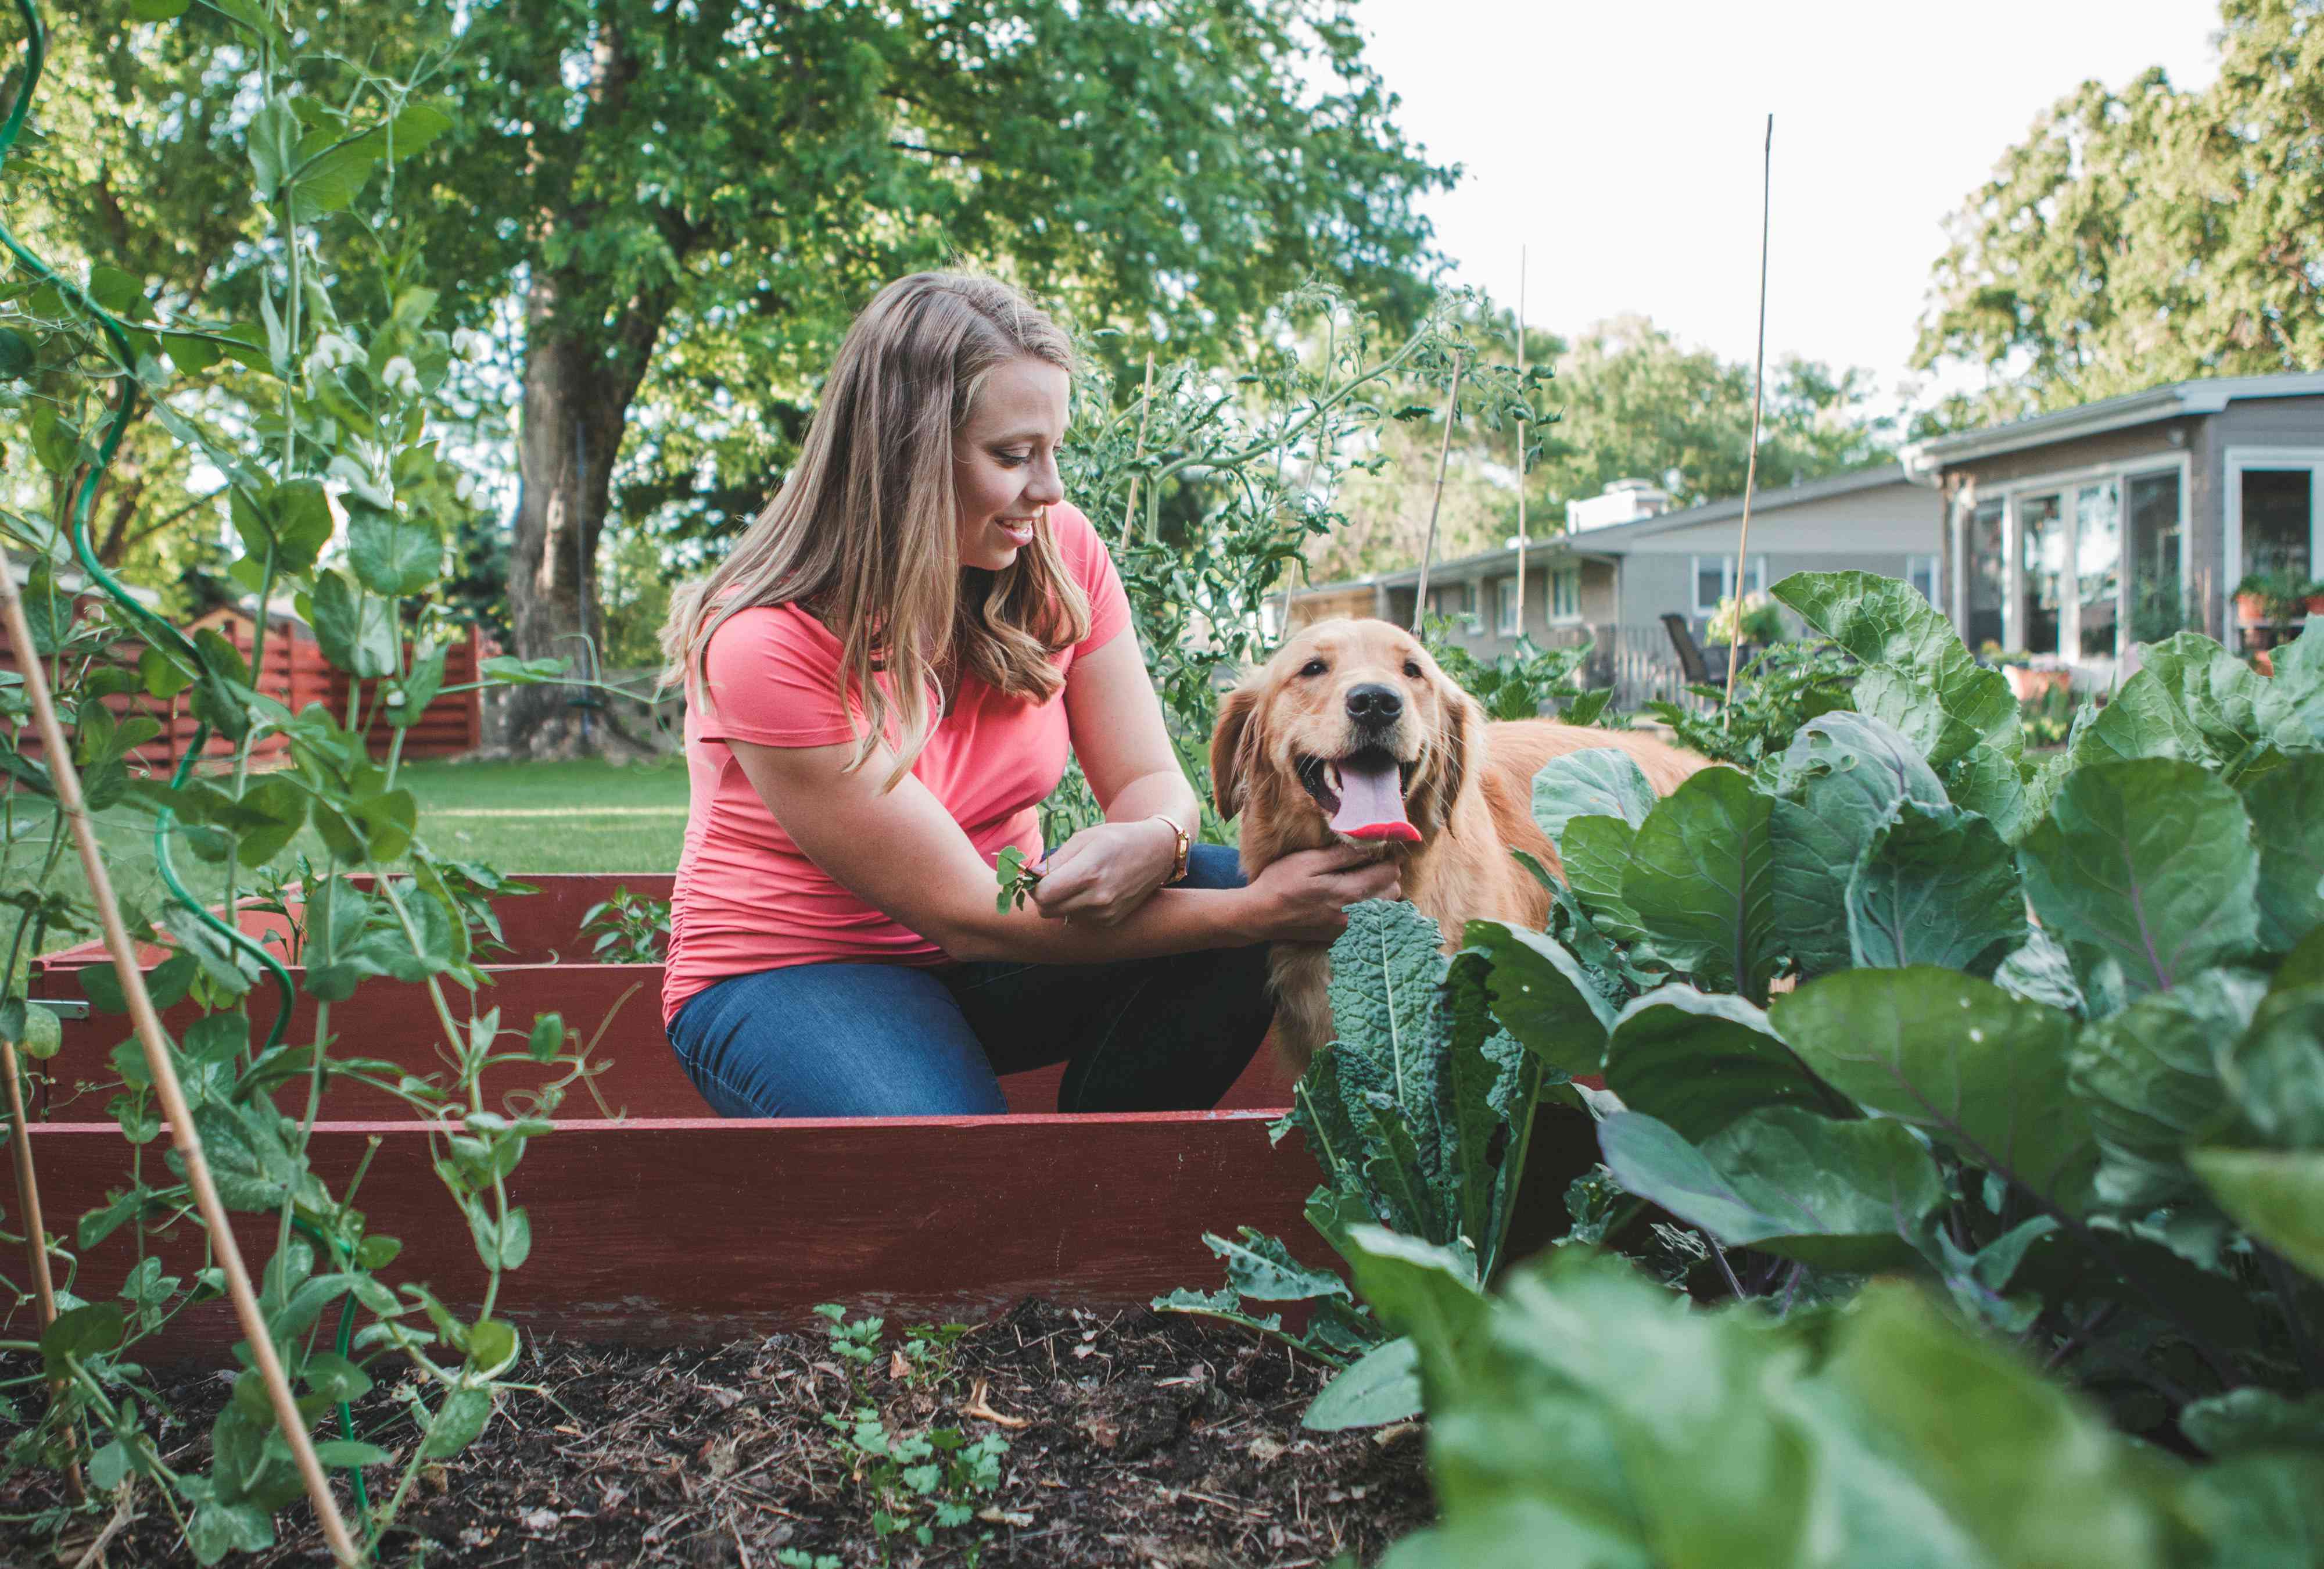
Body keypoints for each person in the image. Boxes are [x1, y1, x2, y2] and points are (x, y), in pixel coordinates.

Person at [656, 272, 1399, 1118]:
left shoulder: (1057, 552)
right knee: (945, 1154)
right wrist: (1260, 911)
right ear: (908, 456)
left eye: (1054, 452)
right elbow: (968, 915)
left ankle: (1104, 1195)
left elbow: (1153, 781)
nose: (1048, 490)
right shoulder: (766, 642)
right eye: (1013, 457)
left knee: (1233, 908)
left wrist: (1155, 837)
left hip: (996, 949)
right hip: (795, 971)